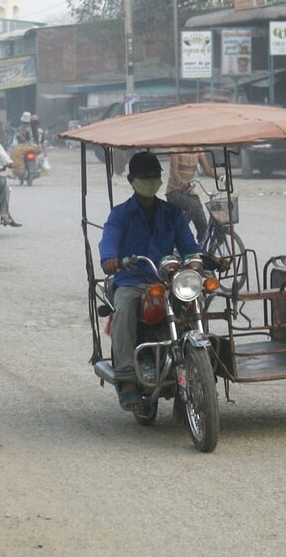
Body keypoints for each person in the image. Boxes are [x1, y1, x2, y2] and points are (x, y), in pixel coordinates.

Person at [100, 151, 200, 411]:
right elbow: (108, 240)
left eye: (154, 176)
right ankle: (127, 379)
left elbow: (189, 245)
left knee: (194, 304)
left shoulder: (172, 213)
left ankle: (197, 367)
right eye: (144, 177)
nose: (150, 181)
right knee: (123, 310)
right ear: (132, 180)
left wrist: (199, 259)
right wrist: (110, 259)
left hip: (167, 280)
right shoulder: (120, 214)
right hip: (131, 280)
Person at [166, 148, 216, 241]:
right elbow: (174, 171)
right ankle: (178, 231)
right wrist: (181, 183)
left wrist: (220, 177)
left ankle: (202, 248)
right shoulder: (176, 150)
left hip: (190, 192)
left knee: (203, 225)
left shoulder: (198, 150)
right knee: (193, 206)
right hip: (174, 191)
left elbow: (207, 170)